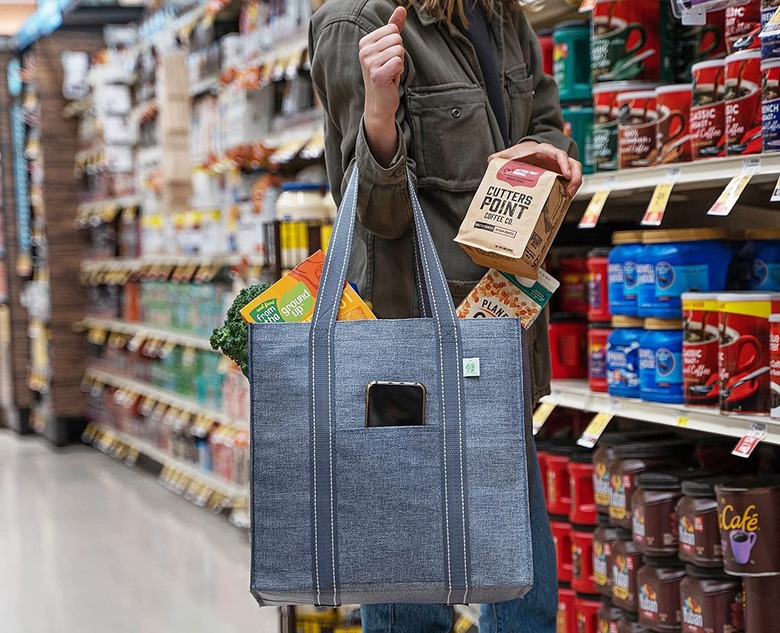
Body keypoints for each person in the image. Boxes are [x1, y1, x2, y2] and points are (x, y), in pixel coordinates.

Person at [309, 0, 582, 629]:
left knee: (527, 603)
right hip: (407, 364)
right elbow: (372, 218)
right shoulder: (355, 21)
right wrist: (379, 110)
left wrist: (545, 154)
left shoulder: (501, 15)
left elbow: (544, 116)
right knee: (412, 608)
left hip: (496, 336)